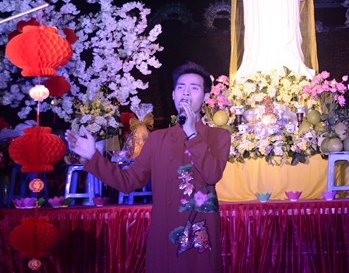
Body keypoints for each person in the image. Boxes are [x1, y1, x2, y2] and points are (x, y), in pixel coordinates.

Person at [65, 62, 231, 273]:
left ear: (206, 97)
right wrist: (92, 156)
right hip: (164, 237)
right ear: (173, 95)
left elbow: (212, 174)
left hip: (199, 235)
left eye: (194, 88)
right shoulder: (156, 139)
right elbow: (128, 182)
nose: (186, 93)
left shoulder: (218, 136)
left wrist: (191, 132)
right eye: (181, 87)